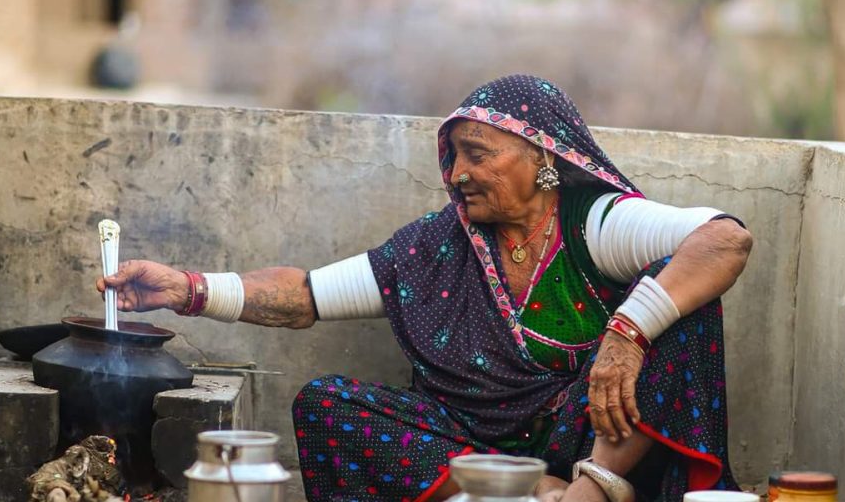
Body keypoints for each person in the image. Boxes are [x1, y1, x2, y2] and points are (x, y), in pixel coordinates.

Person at [98, 75, 752, 502]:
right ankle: (528, 495)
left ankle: (582, 497)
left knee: (679, 309)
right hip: (472, 448)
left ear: (544, 161)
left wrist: (626, 332)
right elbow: (306, 296)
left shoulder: (597, 224)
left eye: (478, 154)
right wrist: (186, 288)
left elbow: (723, 240)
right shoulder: (438, 246)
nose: (459, 173)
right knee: (328, 403)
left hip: (590, 441)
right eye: (454, 157)